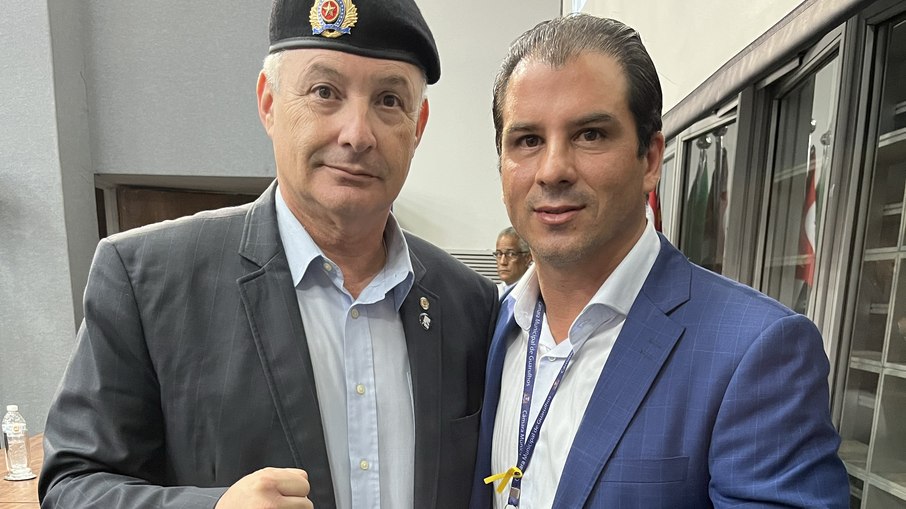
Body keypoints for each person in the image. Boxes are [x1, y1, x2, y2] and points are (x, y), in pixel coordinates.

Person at [38, 1, 499, 508]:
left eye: (389, 100)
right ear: (269, 103)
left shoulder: (469, 304)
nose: (357, 134)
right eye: (325, 92)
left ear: (418, 125)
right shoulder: (145, 280)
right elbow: (73, 486)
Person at [470, 14, 849, 508]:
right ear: (501, 165)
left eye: (590, 134)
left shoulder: (757, 353)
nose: (553, 169)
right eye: (527, 140)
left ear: (650, 159)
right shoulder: (493, 325)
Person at [494, 227, 532, 297]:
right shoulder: (492, 293)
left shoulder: (535, 294)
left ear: (527, 259)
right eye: (499, 254)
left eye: (510, 254)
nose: (503, 262)